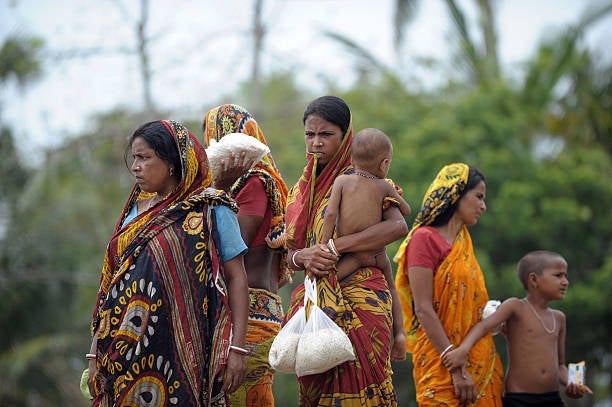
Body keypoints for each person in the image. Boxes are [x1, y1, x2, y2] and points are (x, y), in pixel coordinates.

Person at [87, 120, 249, 406]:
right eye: (134, 158)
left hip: (186, 351)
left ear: (172, 162)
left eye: (144, 157)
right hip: (123, 350)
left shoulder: (212, 210)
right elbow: (110, 285)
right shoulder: (135, 213)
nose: (136, 166)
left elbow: (237, 279)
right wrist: (93, 353)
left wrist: (237, 349)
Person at [284, 95, 409, 406]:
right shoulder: (300, 192)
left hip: (364, 298)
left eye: (326, 135)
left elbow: (396, 227)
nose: (316, 143)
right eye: (309, 135)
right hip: (318, 301)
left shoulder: (369, 181)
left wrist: (336, 246)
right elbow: (287, 253)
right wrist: (305, 256)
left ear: (346, 137)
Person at [393, 163, 504, 406]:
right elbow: (423, 308)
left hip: (479, 359)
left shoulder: (464, 244)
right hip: (441, 361)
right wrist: (455, 368)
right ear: (456, 194)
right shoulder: (424, 239)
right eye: (479, 197)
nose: (483, 206)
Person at [202, 104, 289, 406]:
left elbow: (229, 246)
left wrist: (216, 191)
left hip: (250, 316)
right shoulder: (242, 186)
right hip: (248, 315)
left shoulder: (253, 183)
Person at [442, 250, 593, 406]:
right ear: (534, 279)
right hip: (520, 398)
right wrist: (462, 350)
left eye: (566, 276)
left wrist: (571, 382)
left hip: (552, 398)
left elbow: (560, 365)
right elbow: (483, 326)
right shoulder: (516, 307)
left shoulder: (559, 318)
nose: (565, 282)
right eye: (558, 275)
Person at [319, 127, 410, 362]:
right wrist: (392, 196)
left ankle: (327, 325)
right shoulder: (384, 186)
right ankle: (399, 334)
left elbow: (329, 215)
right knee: (391, 288)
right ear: (384, 164)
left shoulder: (341, 181)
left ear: (350, 158)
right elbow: (406, 210)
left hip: (353, 257)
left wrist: (323, 247)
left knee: (325, 284)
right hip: (378, 255)